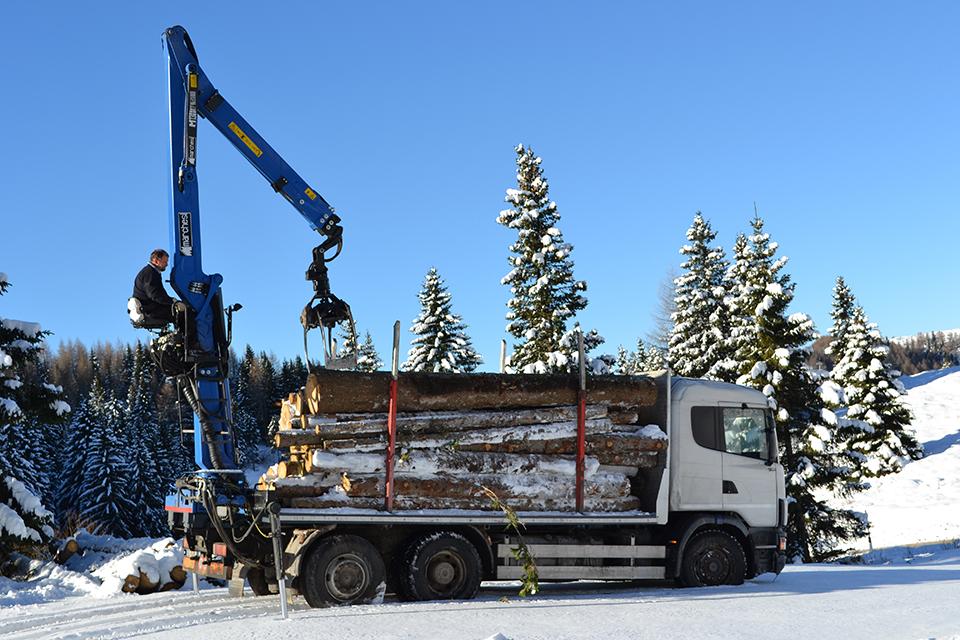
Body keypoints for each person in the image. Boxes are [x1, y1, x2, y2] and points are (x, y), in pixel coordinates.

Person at [132, 249, 178, 324]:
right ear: (156, 261)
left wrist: (172, 301)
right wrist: (172, 302)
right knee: (184, 312)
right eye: (165, 262)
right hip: (150, 310)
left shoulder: (151, 272)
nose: (166, 264)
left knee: (178, 310)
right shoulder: (150, 273)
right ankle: (188, 335)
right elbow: (154, 295)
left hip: (149, 307)